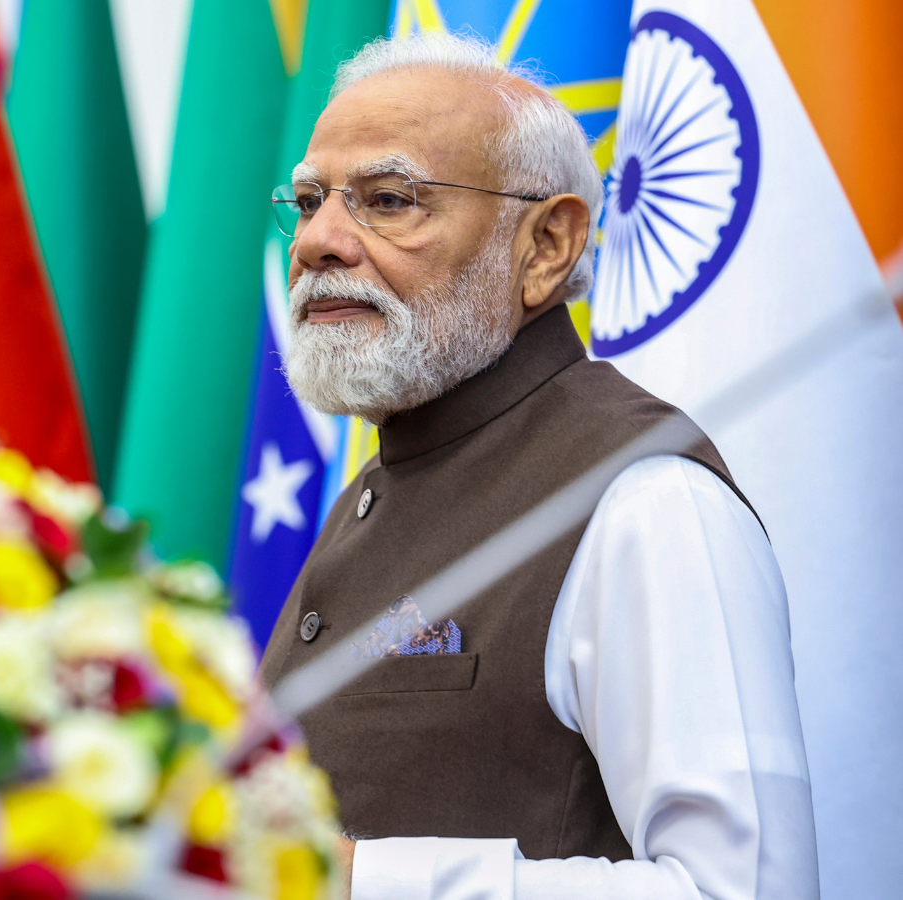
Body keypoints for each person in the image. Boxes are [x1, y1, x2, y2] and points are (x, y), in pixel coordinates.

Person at [257, 32, 819, 900]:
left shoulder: (644, 497)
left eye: (389, 199)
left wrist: (361, 880)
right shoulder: (375, 487)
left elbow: (742, 890)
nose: (317, 241)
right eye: (307, 201)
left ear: (548, 245)